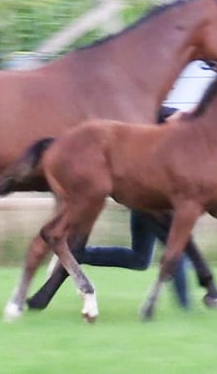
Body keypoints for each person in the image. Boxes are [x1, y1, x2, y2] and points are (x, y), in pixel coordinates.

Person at [70, 105, 193, 309]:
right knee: (177, 248)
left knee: (140, 259)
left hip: (146, 198)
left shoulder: (142, 114)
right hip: (148, 198)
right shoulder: (150, 112)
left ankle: (77, 254)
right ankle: (186, 308)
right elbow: (175, 116)